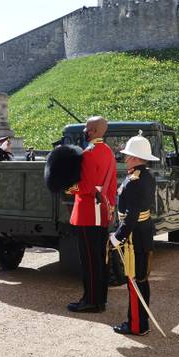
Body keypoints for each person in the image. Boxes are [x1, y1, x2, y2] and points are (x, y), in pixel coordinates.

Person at [109, 132, 159, 335]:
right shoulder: (145, 176)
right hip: (143, 233)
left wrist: (118, 236)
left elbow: (131, 214)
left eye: (128, 156)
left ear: (137, 158)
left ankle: (137, 325)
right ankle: (141, 322)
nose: (125, 158)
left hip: (134, 236)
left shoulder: (135, 180)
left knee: (135, 281)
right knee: (141, 279)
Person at [66, 117, 117, 314]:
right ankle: (100, 299)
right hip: (103, 211)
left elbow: (86, 187)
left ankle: (91, 301)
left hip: (88, 212)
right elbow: (111, 185)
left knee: (89, 260)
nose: (84, 131)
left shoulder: (89, 153)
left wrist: (68, 187)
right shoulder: (108, 152)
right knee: (100, 260)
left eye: (87, 128)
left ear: (93, 130)